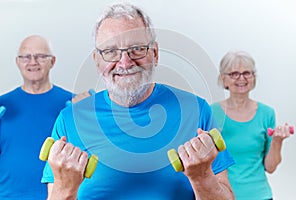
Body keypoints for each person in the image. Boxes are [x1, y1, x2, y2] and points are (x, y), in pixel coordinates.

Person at [41, 3, 235, 200]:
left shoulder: (197, 110)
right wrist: (65, 189)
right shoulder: (68, 121)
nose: (125, 62)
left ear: (155, 54)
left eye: (137, 49)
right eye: (110, 52)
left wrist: (202, 178)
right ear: (97, 61)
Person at [211, 50, 292, 200]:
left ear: (253, 77)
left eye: (247, 73)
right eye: (234, 73)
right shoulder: (212, 112)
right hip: (223, 196)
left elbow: (270, 167)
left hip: (260, 195)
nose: (241, 78)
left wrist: (277, 141)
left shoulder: (267, 113)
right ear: (223, 79)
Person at [0, 35, 73, 199]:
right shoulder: (2, 106)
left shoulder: (72, 106)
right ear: (17, 62)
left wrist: (90, 112)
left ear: (52, 61)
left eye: (40, 56)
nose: (33, 62)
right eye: (26, 57)